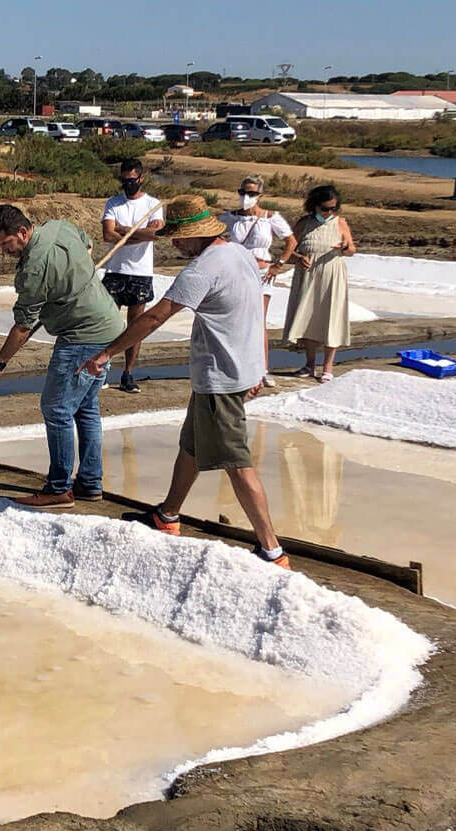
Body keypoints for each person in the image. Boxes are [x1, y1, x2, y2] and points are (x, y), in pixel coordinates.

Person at [79, 194, 290, 568]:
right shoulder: (239, 254)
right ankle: (168, 515)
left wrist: (105, 353)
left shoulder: (202, 270)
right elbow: (257, 310)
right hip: (238, 368)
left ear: (197, 234)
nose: (174, 243)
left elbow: (155, 317)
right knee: (191, 446)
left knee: (236, 462)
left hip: (221, 378)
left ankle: (272, 550)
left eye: (179, 236)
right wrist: (260, 366)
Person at [0, 204, 126, 510]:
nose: (4, 251)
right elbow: (86, 244)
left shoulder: (33, 269)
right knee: (85, 407)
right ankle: (89, 483)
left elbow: (23, 326)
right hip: (109, 326)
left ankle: (59, 488)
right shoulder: (59, 227)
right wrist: (70, 280)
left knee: (57, 408)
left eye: (6, 244)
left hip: (82, 337)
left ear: (22, 232)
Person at [218, 174, 297, 387]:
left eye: (251, 193)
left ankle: (262, 369)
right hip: (237, 271)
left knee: (258, 319)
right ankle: (236, 367)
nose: (246, 196)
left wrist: (279, 264)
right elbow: (212, 232)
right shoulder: (230, 217)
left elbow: (291, 241)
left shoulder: (270, 217)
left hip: (263, 272)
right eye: (243, 192)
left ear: (260, 195)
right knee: (235, 317)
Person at [280, 184, 356, 383]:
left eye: (333, 208)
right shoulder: (304, 223)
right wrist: (297, 257)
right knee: (308, 317)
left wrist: (345, 246)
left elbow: (351, 250)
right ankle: (309, 363)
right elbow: (288, 250)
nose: (329, 212)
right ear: (314, 206)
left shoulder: (340, 223)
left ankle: (328, 367)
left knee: (331, 318)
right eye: (324, 208)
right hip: (308, 275)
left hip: (332, 275)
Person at [101, 158, 164, 393]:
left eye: (132, 180)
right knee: (108, 322)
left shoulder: (153, 204)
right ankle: (101, 369)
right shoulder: (113, 203)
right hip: (115, 271)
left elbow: (155, 234)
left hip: (140, 272)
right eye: (124, 180)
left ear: (141, 178)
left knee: (135, 326)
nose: (128, 184)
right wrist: (138, 233)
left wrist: (126, 230)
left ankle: (127, 373)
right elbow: (108, 234)